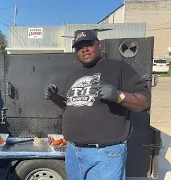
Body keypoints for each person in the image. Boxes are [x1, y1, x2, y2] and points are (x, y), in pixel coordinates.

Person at [44, 30, 150, 180]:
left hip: (105, 154)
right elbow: (72, 106)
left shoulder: (118, 68)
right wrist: (55, 98)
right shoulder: (74, 75)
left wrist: (118, 95)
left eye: (88, 44)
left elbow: (144, 102)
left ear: (99, 45)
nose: (84, 49)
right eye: (79, 47)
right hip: (74, 152)